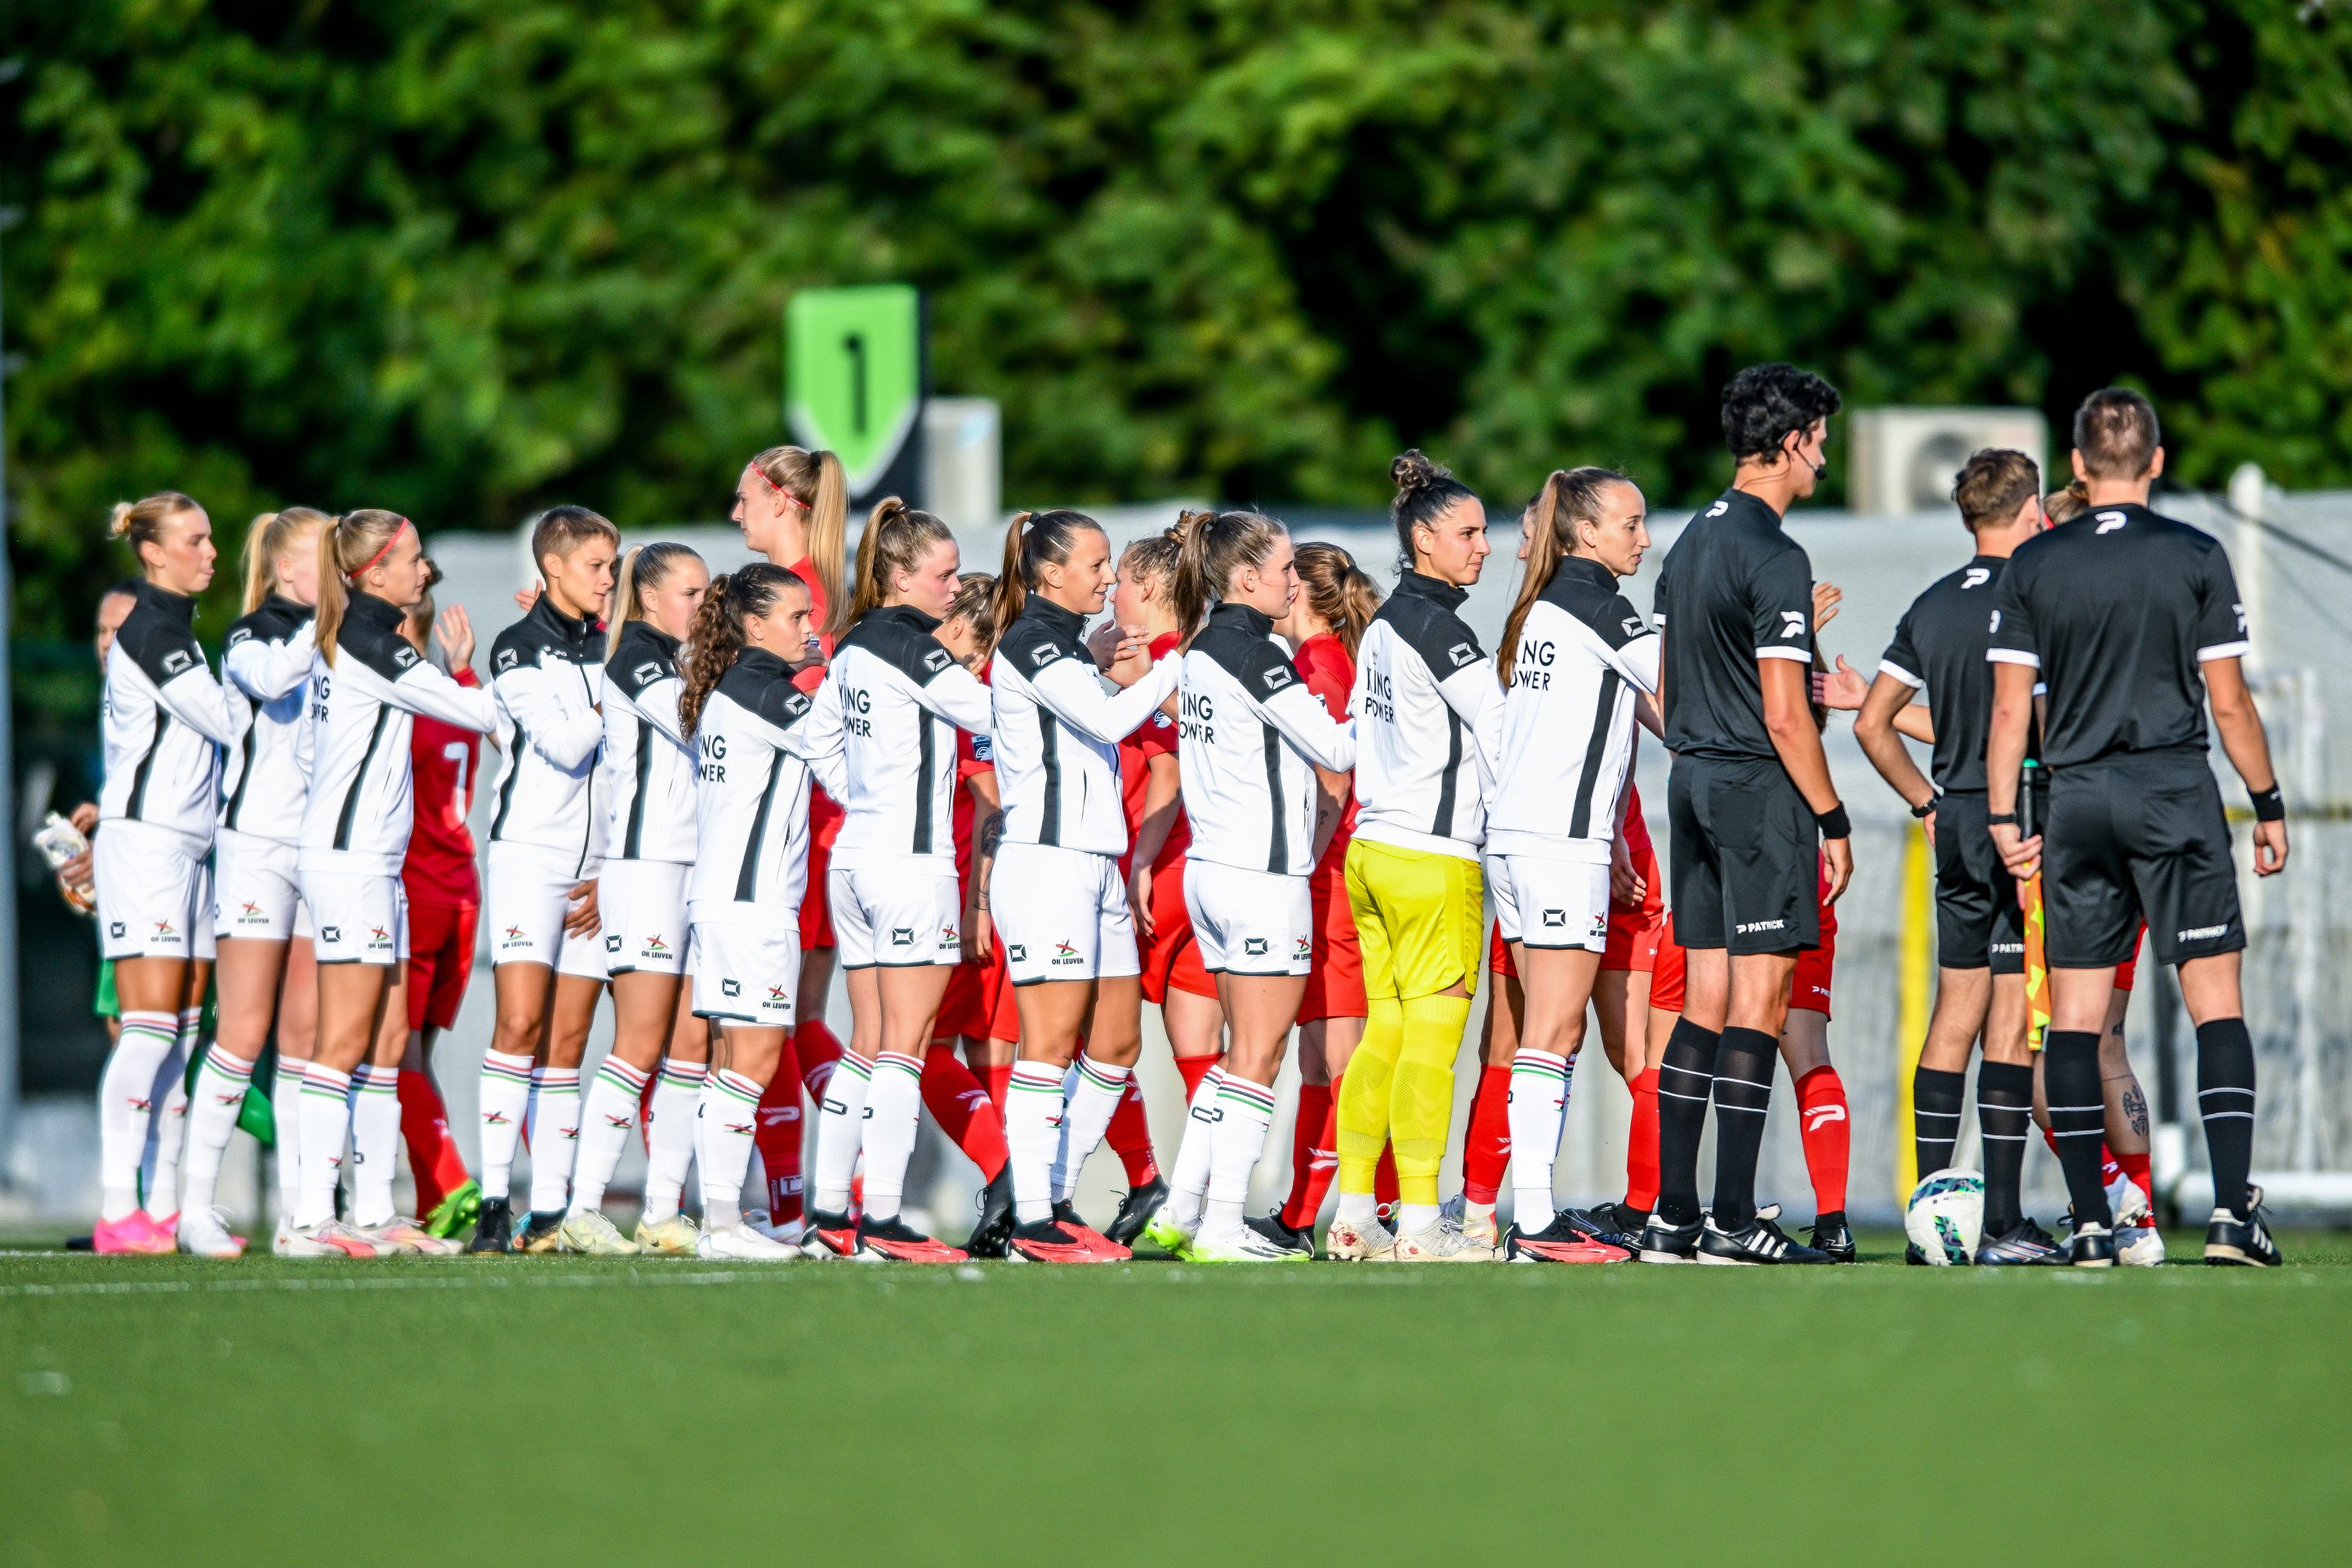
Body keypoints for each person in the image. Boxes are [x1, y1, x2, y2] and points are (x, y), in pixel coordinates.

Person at [1986, 388, 2287, 1267]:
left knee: (2076, 1020)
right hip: (2173, 790)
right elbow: (2228, 702)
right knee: (2214, 1003)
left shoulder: (2035, 565)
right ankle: (2233, 1215)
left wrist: (2007, 814)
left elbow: (2012, 713)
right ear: (2156, 461)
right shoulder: (2195, 553)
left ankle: (2088, 1222)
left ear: (2077, 466)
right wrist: (2266, 803)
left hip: (2076, 800)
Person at [1642, 362, 1850, 1266]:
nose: (1826, 457)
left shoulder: (1690, 540)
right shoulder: (1774, 553)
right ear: (1792, 440)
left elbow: (1663, 685)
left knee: (1709, 998)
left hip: (1688, 781)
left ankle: (1672, 1217)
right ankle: (1733, 1220)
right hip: (1755, 789)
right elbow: (1781, 711)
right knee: (1758, 1004)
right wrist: (1833, 818)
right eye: (1821, 440)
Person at [1853, 448, 2069, 1264]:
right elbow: (2039, 724)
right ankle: (2005, 1223)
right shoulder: (2036, 597)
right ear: (2026, 513)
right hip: (2024, 824)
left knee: (1953, 1018)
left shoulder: (1933, 604)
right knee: (2009, 1027)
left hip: (1959, 823)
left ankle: (1928, 1220)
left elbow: (1873, 722)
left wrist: (1927, 802)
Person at [291, 509, 494, 1257]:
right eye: (411, 558)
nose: (424, 570)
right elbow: (473, 708)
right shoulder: (371, 641)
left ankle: (376, 1211)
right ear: (373, 571)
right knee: (344, 1038)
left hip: (374, 863)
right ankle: (312, 1217)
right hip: (350, 863)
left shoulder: (360, 639)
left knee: (384, 1041)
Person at [1156, 509, 1356, 1262]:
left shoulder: (1204, 646)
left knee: (1242, 1052)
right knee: (1258, 1058)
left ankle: (1189, 1212)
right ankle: (1220, 1224)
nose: (1294, 582)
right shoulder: (1255, 652)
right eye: (1282, 570)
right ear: (1245, 578)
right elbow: (1335, 743)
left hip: (1215, 871)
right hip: (1260, 877)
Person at [800, 498, 991, 1263]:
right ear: (901, 575)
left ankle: (828, 1214)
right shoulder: (913, 646)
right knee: (904, 1050)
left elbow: (815, 740)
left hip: (855, 860)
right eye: (943, 575)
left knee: (866, 1043)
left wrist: (862, 797)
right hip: (909, 867)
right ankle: (881, 1218)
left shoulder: (850, 648)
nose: (953, 589)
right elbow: (993, 712)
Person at [1478, 467, 1661, 1264]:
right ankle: (1538, 1220)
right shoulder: (1594, 603)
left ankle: (1527, 1215)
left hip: (1525, 842)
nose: (1644, 539)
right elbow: (1677, 687)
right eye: (1631, 523)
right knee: (1550, 1035)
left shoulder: (1547, 607)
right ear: (1584, 532)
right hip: (1558, 847)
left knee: (1537, 1034)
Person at [982, 510, 1176, 1263]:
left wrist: (1106, 660)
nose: (1108, 578)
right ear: (1048, 574)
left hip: (1094, 865)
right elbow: (1109, 713)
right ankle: (1033, 1217)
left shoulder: (1061, 646)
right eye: (1096, 565)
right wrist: (1180, 660)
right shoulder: (1031, 640)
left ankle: (1051, 1194)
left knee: (1119, 1040)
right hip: (1048, 864)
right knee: (1050, 1042)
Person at [1330, 452, 1496, 1263]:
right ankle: (1426, 1223)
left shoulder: (1386, 624)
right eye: (1469, 532)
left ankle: (1356, 1212)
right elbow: (1504, 734)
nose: (1484, 547)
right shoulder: (1440, 628)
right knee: (1431, 1041)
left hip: (1373, 851)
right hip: (1432, 862)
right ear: (1424, 538)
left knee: (1385, 1036)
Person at [541, 542, 711, 1254]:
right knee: (638, 1043)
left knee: (691, 1045)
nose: (705, 609)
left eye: (709, 594)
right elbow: (694, 720)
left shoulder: (680, 660)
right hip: (646, 869)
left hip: (694, 871)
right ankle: (581, 1208)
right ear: (650, 601)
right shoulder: (637, 659)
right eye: (692, 595)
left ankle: (662, 1209)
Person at [163, 508, 324, 1256]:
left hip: (320, 849)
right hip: (257, 846)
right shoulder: (254, 634)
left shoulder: (338, 640)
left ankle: (301, 1215)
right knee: (244, 1029)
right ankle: (194, 1206)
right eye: (328, 558)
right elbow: (273, 676)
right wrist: (325, 628)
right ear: (289, 570)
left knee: (305, 1036)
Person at [677, 564, 844, 1259]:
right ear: (754, 627)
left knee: (733, 1062)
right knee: (752, 1059)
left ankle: (721, 1218)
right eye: (797, 617)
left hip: (728, 900)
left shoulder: (735, 688)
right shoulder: (764, 694)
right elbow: (847, 759)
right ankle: (720, 1225)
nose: (810, 629)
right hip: (751, 904)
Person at [91, 494, 237, 1254]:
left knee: (182, 1032)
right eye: (196, 540)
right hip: (144, 844)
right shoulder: (148, 630)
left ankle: (167, 1204)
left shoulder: (178, 631)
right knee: (146, 1031)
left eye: (211, 539)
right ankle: (119, 1208)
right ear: (153, 553)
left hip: (191, 850)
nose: (211, 553)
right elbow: (225, 720)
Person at [469, 507, 617, 1253]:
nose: (610, 579)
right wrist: (618, 676)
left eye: (614, 565)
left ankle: (549, 1213)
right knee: (520, 1023)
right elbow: (563, 745)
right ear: (552, 567)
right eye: (596, 565)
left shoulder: (611, 646)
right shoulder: (517, 648)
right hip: (529, 852)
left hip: (598, 867)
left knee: (570, 1039)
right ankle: (494, 1202)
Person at [731, 447, 857, 1192]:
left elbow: (795, 723)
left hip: (799, 837)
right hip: (812, 834)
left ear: (782, 501)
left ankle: (820, 1193)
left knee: (776, 1022)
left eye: (745, 496)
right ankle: (824, 1194)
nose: (734, 511)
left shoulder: (800, 603)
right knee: (789, 1020)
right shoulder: (817, 594)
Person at [1265, 543, 1379, 1248]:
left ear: (1299, 591)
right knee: (1322, 1060)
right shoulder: (1319, 660)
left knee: (1340, 1059)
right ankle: (1303, 1213)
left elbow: (1334, 785)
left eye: (1281, 576)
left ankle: (1324, 1213)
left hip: (1332, 883)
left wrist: (1299, 861)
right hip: (1323, 883)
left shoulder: (1322, 665)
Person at [395, 570, 491, 1241]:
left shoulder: (402, 706)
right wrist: (461, 669)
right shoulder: (463, 697)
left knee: (391, 1050)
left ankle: (447, 1181)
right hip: (460, 890)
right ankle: (439, 1193)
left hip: (416, 890)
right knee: (417, 1052)